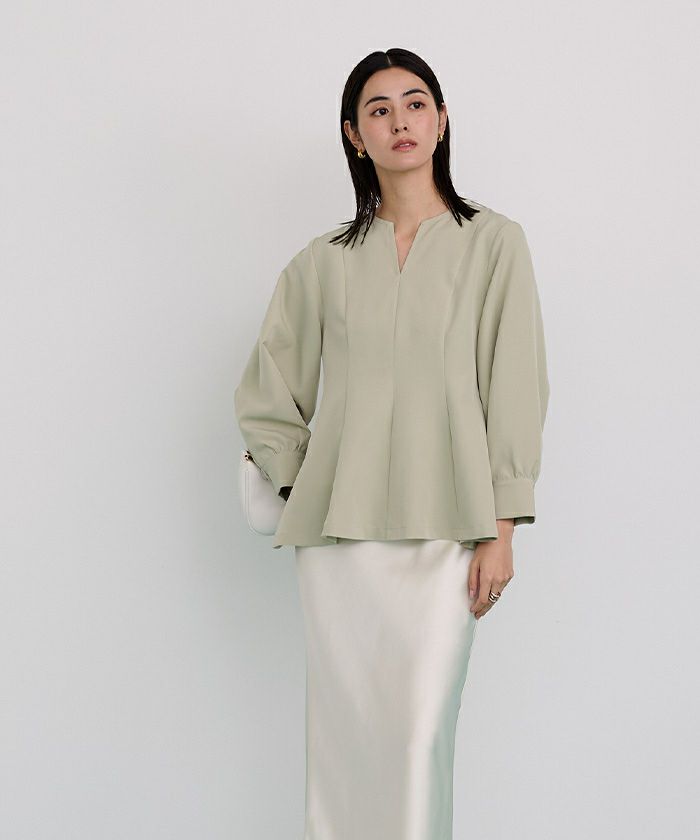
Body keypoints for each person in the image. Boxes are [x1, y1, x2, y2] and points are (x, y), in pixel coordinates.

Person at [234, 47, 550, 840]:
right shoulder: (321, 263)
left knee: (416, 740)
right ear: (355, 134)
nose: (399, 121)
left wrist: (502, 527)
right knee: (343, 746)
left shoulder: (495, 244)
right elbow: (268, 394)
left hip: (450, 534)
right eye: (379, 110)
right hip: (339, 548)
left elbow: (515, 388)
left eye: (415, 103)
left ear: (441, 120)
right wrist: (303, 480)